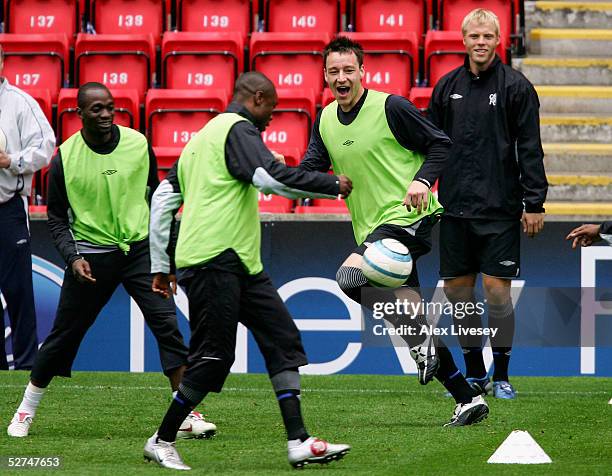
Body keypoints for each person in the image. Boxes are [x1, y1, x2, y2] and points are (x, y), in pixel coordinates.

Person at [144, 71, 353, 470]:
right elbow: (269, 178)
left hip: (238, 262)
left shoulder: (198, 141)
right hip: (212, 261)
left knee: (283, 339)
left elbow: (163, 202)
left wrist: (160, 264)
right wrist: (331, 184)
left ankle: (298, 441)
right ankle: (162, 439)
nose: (272, 118)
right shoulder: (238, 130)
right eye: (271, 109)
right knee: (213, 357)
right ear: (257, 98)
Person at [7, 83, 215, 440]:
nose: (105, 115)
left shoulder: (137, 144)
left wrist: (164, 259)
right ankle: (26, 409)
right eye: (97, 109)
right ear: (80, 114)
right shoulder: (65, 158)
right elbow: (56, 217)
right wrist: (72, 258)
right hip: (91, 256)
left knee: (168, 328)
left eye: (110, 108)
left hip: (139, 252)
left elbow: (157, 201)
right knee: (62, 337)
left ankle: (186, 413)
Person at [299, 36, 489, 427]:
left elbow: (440, 144)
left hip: (407, 215)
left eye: (348, 69)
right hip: (374, 228)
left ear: (362, 72)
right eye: (334, 71)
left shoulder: (391, 106)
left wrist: (422, 180)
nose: (341, 77)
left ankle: (420, 340)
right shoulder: (326, 120)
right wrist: (285, 173)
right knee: (410, 315)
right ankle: (466, 398)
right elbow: (313, 166)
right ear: (324, 76)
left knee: (349, 277)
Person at [427, 9, 548, 399]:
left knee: (497, 292)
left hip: (500, 210)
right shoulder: (446, 87)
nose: (480, 42)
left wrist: (535, 201)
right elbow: (431, 145)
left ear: (499, 40)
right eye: (474, 36)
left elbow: (530, 147)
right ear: (463, 40)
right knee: (460, 294)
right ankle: (475, 372)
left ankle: (503, 376)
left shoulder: (517, 87)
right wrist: (425, 185)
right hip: (455, 208)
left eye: (488, 36)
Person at [0, 45, 55, 370]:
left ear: (3, 62)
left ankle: (24, 365)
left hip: (7, 208)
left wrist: (12, 161)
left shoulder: (20, 102)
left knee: (18, 289)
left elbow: (46, 146)